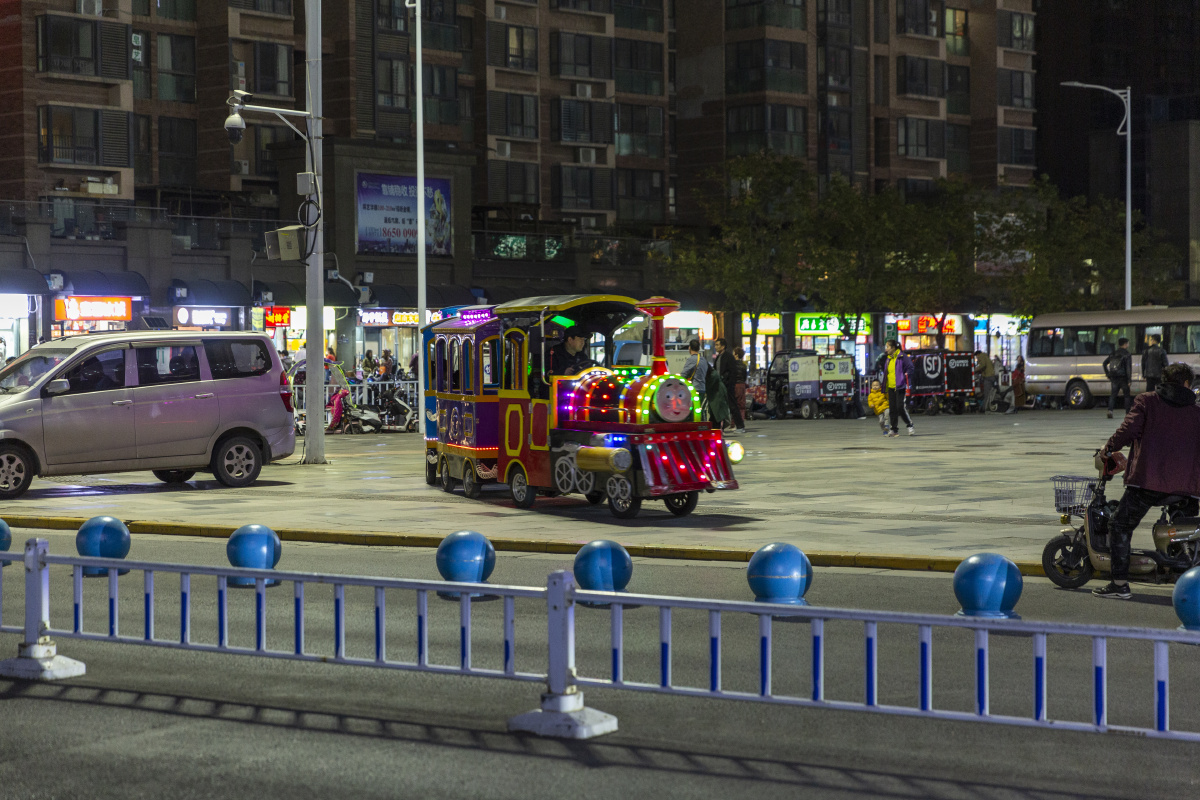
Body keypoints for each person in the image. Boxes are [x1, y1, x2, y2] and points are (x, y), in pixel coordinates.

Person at [1093, 362, 1200, 599]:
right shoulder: (1196, 412)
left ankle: (1119, 584)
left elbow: (1128, 430)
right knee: (1184, 532)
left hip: (1148, 481)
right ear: (1186, 384)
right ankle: (1186, 583)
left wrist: (1109, 448)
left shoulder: (1147, 401)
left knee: (1120, 525)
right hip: (1187, 487)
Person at [880, 339, 914, 437]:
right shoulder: (888, 359)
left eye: (888, 347)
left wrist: (905, 376)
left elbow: (910, 368)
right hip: (891, 387)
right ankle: (894, 429)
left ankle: (909, 425)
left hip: (900, 386)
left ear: (893, 347)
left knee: (900, 407)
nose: (886, 349)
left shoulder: (902, 357)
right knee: (892, 409)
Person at [713, 337, 745, 434]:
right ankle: (719, 427)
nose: (715, 347)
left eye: (717, 345)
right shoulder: (718, 357)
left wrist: (730, 384)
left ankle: (740, 426)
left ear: (723, 346)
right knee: (719, 406)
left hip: (727, 385)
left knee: (732, 405)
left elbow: (733, 372)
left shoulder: (728, 357)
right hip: (719, 386)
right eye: (715, 345)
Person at [1104, 337, 1133, 419]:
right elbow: (1128, 368)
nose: (1128, 344)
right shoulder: (1127, 354)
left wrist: (1108, 374)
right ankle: (1127, 413)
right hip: (1123, 378)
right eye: (1128, 343)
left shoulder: (1113, 353)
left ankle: (1110, 410)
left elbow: (1104, 363)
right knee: (1126, 396)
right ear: (1125, 344)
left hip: (1114, 378)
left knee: (1113, 395)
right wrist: (1129, 380)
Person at [681, 339, 709, 410]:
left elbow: (683, 375)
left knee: (692, 411)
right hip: (703, 389)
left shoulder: (691, 359)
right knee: (698, 410)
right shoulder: (704, 360)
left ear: (689, 348)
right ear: (699, 349)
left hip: (695, 389)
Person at [732, 346, 749, 423]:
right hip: (741, 385)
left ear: (736, 354)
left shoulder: (732, 365)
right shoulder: (743, 365)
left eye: (733, 353)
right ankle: (740, 421)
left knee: (734, 403)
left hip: (734, 384)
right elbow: (745, 376)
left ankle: (733, 422)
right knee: (741, 404)